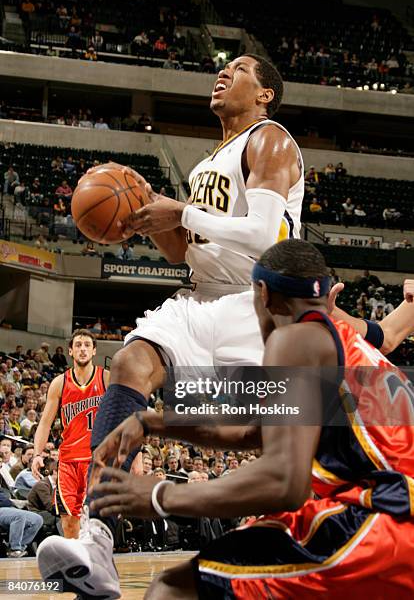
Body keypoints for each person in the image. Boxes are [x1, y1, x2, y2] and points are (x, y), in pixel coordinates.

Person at [37, 53, 304, 595]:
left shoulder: (270, 139)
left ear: (264, 94)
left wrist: (178, 210)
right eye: (223, 67)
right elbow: (191, 251)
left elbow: (265, 235)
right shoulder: (210, 164)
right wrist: (144, 217)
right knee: (131, 362)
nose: (224, 72)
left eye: (241, 69)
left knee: (285, 445)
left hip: (260, 303)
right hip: (203, 298)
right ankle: (98, 536)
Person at [84, 239, 414, 598]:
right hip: (387, 516)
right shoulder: (348, 345)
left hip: (386, 524)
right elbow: (250, 432)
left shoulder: (295, 339)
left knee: (172, 589)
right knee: (239, 547)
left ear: (262, 292)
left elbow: (285, 483)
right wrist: (157, 422)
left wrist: (162, 496)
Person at [32, 330, 109, 538]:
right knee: (68, 521)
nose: (82, 349)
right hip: (68, 461)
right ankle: (76, 565)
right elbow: (45, 423)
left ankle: (95, 562)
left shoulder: (106, 378)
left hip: (96, 460)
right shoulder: (59, 383)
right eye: (78, 345)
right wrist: (37, 454)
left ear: (94, 351)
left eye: (86, 345)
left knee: (93, 519)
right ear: (70, 350)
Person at [0, 487, 43, 558]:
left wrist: (16, 502)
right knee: (19, 516)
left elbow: (5, 499)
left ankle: (18, 548)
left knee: (37, 519)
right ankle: (15, 549)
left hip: (9, 508)